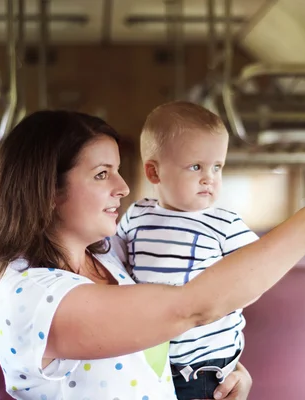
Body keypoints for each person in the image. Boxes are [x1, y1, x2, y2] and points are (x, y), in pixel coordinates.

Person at [0, 110, 305, 400]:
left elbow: (160, 343)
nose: (121, 188)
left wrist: (221, 369)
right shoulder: (32, 295)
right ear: (47, 189)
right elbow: (189, 307)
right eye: (102, 175)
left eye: (119, 172)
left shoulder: (108, 258)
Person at [114, 101, 258, 399]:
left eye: (217, 167)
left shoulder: (225, 223)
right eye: (196, 167)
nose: (209, 177)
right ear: (154, 173)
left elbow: (258, 272)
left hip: (204, 368)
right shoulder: (137, 215)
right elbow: (116, 264)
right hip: (148, 359)